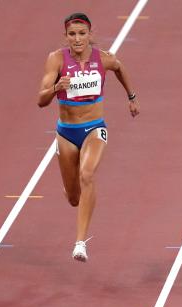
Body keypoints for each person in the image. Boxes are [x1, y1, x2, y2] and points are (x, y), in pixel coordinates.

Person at [36, 12, 139, 262]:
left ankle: (80, 243)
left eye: (82, 34)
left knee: (88, 174)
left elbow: (120, 67)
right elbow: (41, 100)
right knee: (74, 197)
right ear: (66, 36)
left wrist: (132, 97)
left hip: (94, 128)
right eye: (72, 34)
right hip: (66, 133)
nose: (77, 39)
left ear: (90, 35)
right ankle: (72, 192)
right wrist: (56, 88)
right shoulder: (56, 60)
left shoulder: (102, 59)